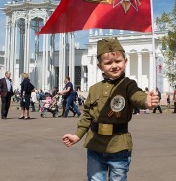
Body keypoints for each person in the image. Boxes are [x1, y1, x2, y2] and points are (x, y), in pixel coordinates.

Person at [62, 38, 159, 181]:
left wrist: (146, 101)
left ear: (125, 62)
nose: (114, 66)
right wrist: (77, 135)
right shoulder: (94, 89)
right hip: (95, 145)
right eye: (108, 63)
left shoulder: (128, 85)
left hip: (118, 146)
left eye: (118, 61)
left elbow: (137, 95)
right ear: (100, 66)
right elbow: (87, 115)